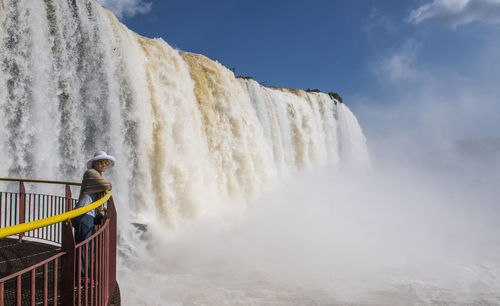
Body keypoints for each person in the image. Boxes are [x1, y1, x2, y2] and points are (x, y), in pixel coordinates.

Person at [71, 151, 116, 281]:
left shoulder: (96, 174)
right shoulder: (91, 173)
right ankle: (81, 277)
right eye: (101, 162)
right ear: (95, 162)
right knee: (84, 246)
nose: (104, 165)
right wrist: (108, 185)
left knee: (84, 246)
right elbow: (106, 185)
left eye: (106, 162)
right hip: (84, 214)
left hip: (88, 215)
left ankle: (80, 275)